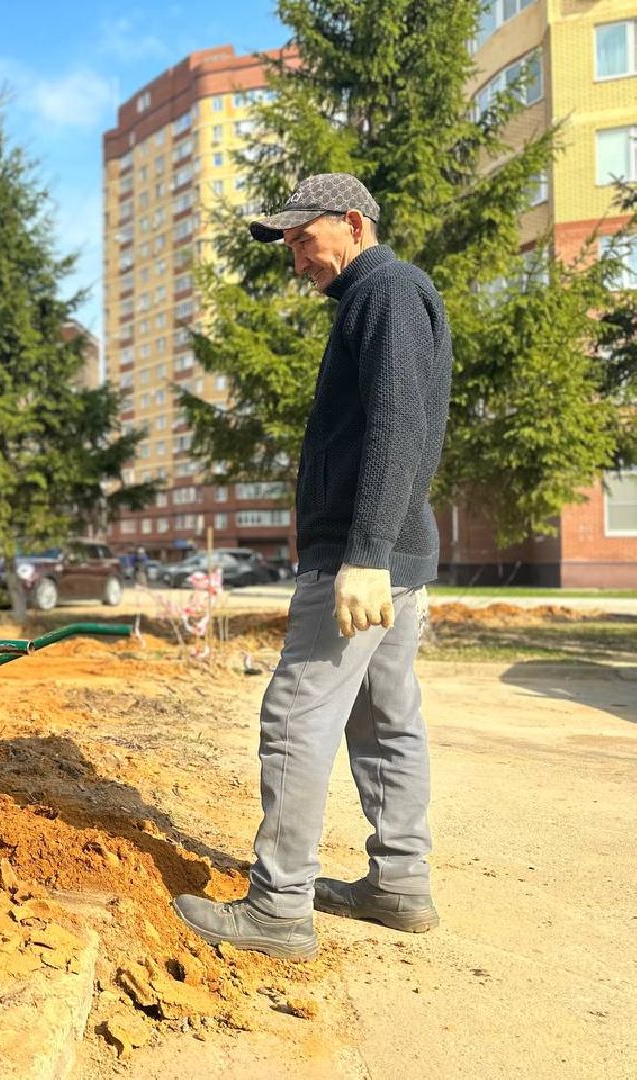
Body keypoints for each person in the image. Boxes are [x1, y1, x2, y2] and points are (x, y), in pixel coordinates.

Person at [173, 174, 452, 959]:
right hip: (394, 556)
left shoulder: (387, 291)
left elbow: (399, 427)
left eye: (303, 239)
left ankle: (278, 906)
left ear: (354, 223)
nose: (296, 259)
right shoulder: (386, 295)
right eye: (289, 244)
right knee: (382, 718)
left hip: (365, 561)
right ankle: (399, 884)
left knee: (296, 716)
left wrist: (362, 555)